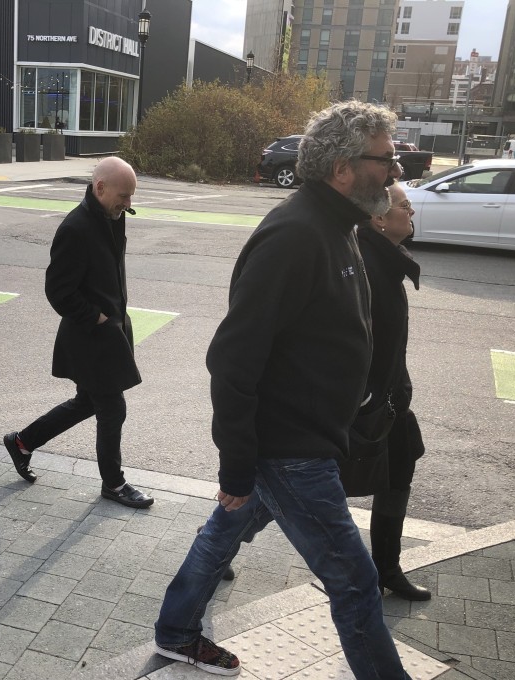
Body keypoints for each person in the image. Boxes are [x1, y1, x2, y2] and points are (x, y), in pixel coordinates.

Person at [153, 101, 411, 679]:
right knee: (355, 580)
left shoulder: (339, 224)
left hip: (307, 438)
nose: (394, 172)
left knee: (223, 533)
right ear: (342, 168)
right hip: (290, 451)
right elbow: (232, 358)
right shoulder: (295, 234)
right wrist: (237, 466)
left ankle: (175, 632)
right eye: (386, 159)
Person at [3, 156, 154, 509]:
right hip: (91, 337)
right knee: (112, 409)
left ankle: (22, 442)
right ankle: (114, 484)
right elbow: (57, 291)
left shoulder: (111, 216)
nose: (128, 203)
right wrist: (96, 318)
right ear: (100, 188)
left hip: (109, 332)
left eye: (131, 195)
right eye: (124, 195)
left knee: (87, 402)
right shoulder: (76, 228)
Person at [356, 183, 430, 601]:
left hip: (390, 400)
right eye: (405, 205)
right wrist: (364, 398)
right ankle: (216, 541)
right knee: (284, 490)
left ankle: (387, 569)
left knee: (400, 472)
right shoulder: (365, 264)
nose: (411, 212)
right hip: (361, 407)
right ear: (379, 218)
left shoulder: (387, 259)